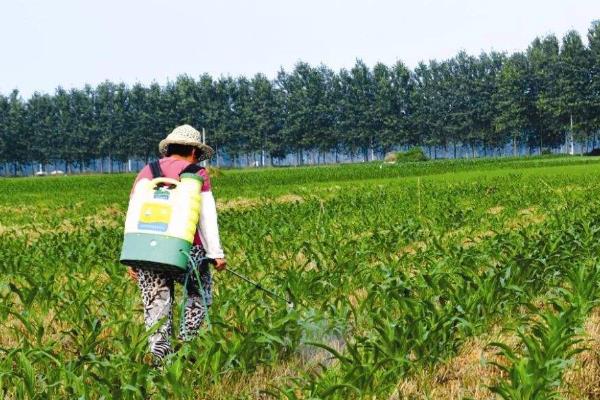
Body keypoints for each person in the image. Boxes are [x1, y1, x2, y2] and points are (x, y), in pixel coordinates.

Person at [127, 124, 226, 359]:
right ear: (194, 151)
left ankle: (161, 360)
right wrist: (216, 253)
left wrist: (132, 258)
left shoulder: (146, 172)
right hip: (186, 250)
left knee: (156, 306)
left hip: (147, 251)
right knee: (199, 293)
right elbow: (206, 216)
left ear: (169, 148)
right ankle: (186, 341)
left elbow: (133, 212)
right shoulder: (196, 173)